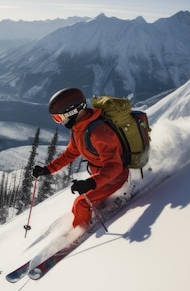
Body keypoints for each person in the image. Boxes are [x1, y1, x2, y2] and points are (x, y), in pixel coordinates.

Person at [32, 87, 129, 229]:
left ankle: (80, 231)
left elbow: (114, 167)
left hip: (115, 176)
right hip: (101, 176)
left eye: (59, 117)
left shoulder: (99, 133)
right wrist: (47, 170)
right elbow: (70, 154)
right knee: (84, 202)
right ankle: (95, 213)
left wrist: (90, 183)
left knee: (81, 203)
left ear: (72, 111)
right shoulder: (80, 129)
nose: (60, 121)